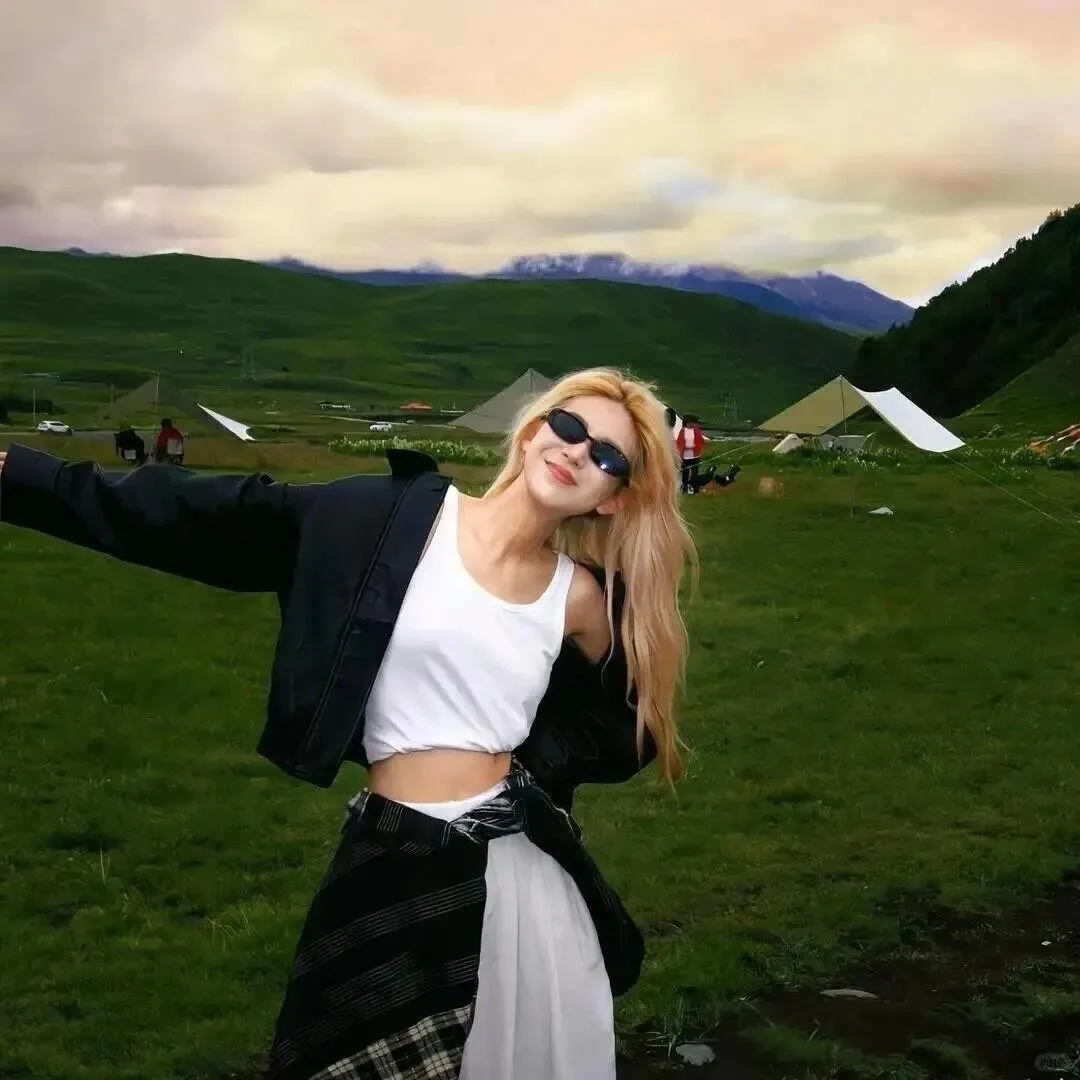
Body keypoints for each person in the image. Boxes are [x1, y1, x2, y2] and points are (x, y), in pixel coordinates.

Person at [0, 367, 696, 1080]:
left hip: (516, 881)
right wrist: (21, 479)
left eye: (607, 456)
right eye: (570, 426)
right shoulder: (384, 518)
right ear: (531, 432)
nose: (578, 451)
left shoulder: (578, 599)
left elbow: (629, 724)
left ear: (613, 499)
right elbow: (205, 515)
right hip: (388, 850)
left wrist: (534, 765)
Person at [677, 414, 707, 494]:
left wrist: (695, 446)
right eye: (691, 423)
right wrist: (682, 449)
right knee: (685, 473)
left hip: (695, 456)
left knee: (695, 473)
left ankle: (695, 489)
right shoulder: (683, 431)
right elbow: (679, 443)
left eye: (694, 423)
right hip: (685, 457)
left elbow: (701, 442)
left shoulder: (697, 431)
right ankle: (685, 488)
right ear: (687, 423)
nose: (693, 424)